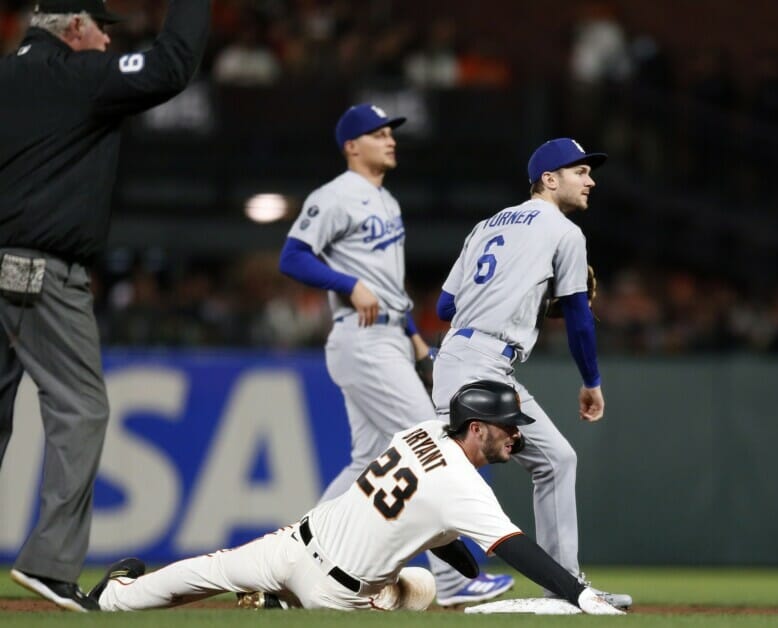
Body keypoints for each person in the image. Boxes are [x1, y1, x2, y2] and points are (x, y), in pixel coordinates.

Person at [0, 0, 210, 612]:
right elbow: (170, 65)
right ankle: (50, 562)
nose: (106, 42)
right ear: (73, 27)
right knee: (81, 408)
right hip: (39, 270)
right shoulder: (78, 76)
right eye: (100, 29)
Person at [88, 381, 626, 615]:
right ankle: (284, 603)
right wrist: (579, 594)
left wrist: (459, 554)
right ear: (478, 428)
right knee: (417, 590)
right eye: (508, 424)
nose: (516, 433)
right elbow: (516, 548)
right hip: (338, 594)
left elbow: (427, 519)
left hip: (295, 542)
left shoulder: (422, 431)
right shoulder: (463, 487)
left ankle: (109, 601)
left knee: (208, 570)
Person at [277, 103, 513, 605]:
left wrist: (414, 335)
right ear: (351, 146)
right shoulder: (335, 195)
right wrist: (347, 283)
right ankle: (453, 581)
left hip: (388, 335)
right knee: (435, 446)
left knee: (365, 463)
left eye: (390, 132)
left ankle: (291, 562)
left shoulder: (386, 200)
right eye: (378, 133)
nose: (390, 139)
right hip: (360, 335)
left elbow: (387, 284)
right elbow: (292, 256)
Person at [432, 138, 630, 608]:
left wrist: (529, 299)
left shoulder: (486, 225)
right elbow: (579, 319)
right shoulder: (564, 232)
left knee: (553, 460)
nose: (590, 180)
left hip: (462, 356)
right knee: (444, 473)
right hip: (483, 363)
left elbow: (445, 306)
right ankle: (362, 560)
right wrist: (592, 382)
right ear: (549, 179)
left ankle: (563, 586)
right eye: (580, 171)